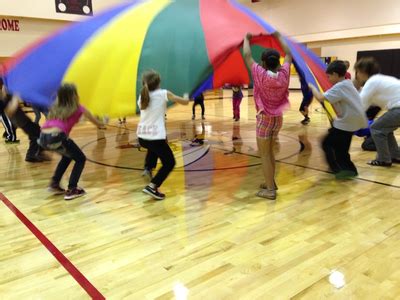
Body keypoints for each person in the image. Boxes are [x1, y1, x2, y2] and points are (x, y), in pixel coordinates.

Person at [243, 31, 292, 200]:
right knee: (270, 152)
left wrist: (247, 39)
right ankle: (271, 181)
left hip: (264, 119)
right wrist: (279, 36)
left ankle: (270, 190)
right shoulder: (284, 74)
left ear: (263, 63)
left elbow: (247, 55)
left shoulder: (260, 74)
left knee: (264, 154)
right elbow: (289, 53)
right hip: (278, 120)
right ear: (277, 61)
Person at [38, 83, 106, 200]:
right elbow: (98, 124)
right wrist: (103, 122)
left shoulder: (55, 107)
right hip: (57, 136)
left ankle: (54, 184)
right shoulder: (79, 107)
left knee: (67, 156)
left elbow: (58, 124)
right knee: (80, 158)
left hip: (43, 137)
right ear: (74, 95)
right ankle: (72, 188)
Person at [309, 60, 368, 179]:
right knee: (341, 148)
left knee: (327, 143)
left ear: (336, 74)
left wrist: (312, 87)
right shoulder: (347, 83)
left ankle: (338, 168)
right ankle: (349, 169)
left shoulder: (340, 87)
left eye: (329, 76)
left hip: (347, 123)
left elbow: (320, 97)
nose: (328, 78)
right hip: (352, 121)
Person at [137, 70, 189, 200]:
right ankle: (152, 186)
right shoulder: (163, 93)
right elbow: (184, 102)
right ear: (158, 83)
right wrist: (187, 95)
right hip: (154, 137)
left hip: (142, 137)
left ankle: (148, 167)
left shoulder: (142, 96)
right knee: (169, 163)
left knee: (154, 149)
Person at [354, 57, 400, 166]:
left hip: (398, 108)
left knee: (376, 128)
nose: (357, 75)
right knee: (385, 129)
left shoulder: (372, 81)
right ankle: (395, 155)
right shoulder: (378, 79)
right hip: (397, 108)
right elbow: (368, 103)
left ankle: (383, 159)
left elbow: (360, 105)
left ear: (362, 71)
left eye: (357, 72)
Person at [0, 78, 19, 143]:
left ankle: (11, 137)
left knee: (7, 121)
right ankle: (10, 135)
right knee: (6, 121)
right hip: (4, 104)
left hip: (4, 105)